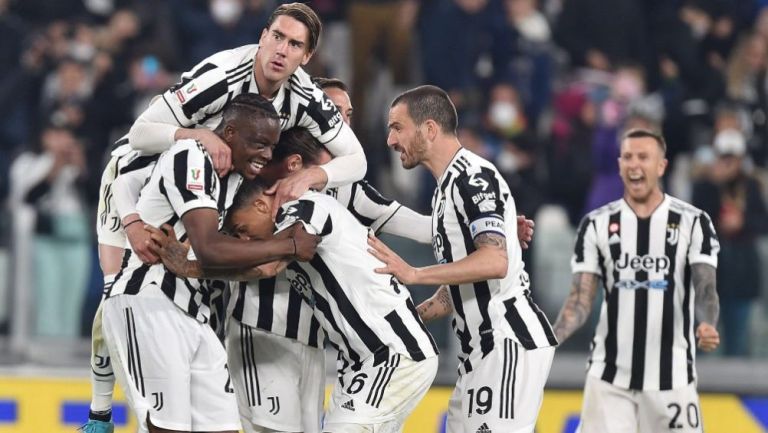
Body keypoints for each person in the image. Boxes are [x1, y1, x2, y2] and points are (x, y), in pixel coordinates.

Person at [148, 175, 439, 433]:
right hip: (359, 363)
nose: (244, 238)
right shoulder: (288, 231)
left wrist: (190, 267)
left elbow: (266, 267)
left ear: (262, 205)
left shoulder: (308, 207)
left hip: (392, 354)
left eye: (241, 228)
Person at [101, 93, 320, 433]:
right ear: (229, 133)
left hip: (196, 312)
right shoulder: (191, 156)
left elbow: (212, 256)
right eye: (259, 143)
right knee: (167, 428)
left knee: (222, 428)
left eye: (271, 147)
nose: (265, 154)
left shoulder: (235, 180)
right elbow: (209, 249)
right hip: (150, 299)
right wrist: (288, 245)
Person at [368, 85, 557, 433]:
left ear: (428, 129)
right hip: (477, 356)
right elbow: (456, 290)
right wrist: (404, 321)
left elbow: (494, 262)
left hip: (505, 341)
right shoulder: (446, 190)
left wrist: (413, 273)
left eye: (397, 127)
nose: (391, 141)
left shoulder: (471, 177)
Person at [553, 129, 721, 433]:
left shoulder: (693, 221)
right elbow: (580, 299)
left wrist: (707, 322)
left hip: (672, 379)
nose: (634, 164)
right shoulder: (596, 224)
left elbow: (706, 286)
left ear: (661, 166)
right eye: (628, 157)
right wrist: (550, 340)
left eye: (643, 157)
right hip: (609, 379)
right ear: (618, 165)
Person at [127, 2, 367, 212]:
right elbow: (139, 134)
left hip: (226, 190)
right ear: (263, 37)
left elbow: (357, 160)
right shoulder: (220, 79)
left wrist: (310, 176)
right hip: (142, 180)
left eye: (295, 44)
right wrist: (197, 136)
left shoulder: (307, 98)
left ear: (307, 56)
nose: (281, 50)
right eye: (277, 37)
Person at [81, 137, 160, 433]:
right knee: (113, 300)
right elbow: (112, 277)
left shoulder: (238, 150)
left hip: (210, 302)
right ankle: (100, 414)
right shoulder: (127, 159)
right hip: (151, 301)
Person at [692, 129, 767, 356]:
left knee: (740, 340)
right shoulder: (704, 186)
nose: (727, 163)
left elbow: (762, 222)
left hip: (742, 274)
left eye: (732, 158)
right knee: (708, 341)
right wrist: (716, 187)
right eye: (723, 157)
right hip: (712, 276)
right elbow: (696, 223)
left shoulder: (751, 186)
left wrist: (742, 223)